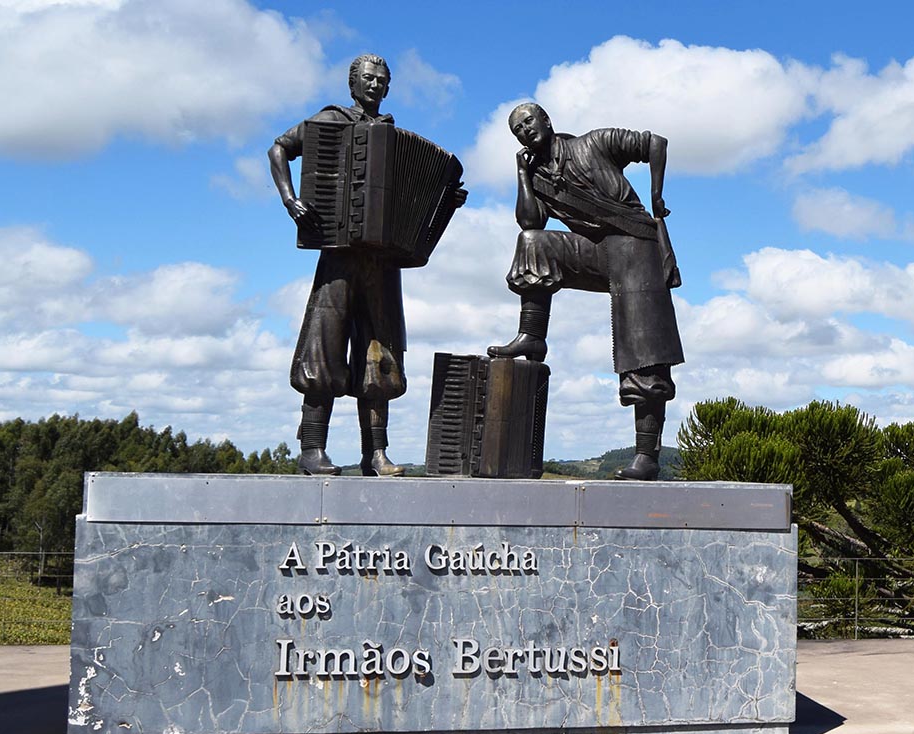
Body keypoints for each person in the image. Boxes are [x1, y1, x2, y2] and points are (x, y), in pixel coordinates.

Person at [269, 54, 464, 476]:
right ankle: (311, 449)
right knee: (322, 348)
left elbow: (415, 200)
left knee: (382, 355)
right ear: (353, 83)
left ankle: (375, 453)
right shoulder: (330, 120)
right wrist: (291, 200)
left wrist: (443, 202)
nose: (375, 85)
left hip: (381, 264)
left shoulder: (392, 135)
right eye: (368, 78)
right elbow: (279, 148)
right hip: (339, 254)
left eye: (382, 80)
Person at [488, 103, 684, 481]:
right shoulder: (540, 176)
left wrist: (656, 197)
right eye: (517, 130)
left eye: (529, 121)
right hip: (595, 251)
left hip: (635, 243)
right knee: (533, 243)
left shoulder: (595, 143)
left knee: (644, 355)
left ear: (547, 120)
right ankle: (532, 337)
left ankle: (646, 456)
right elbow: (531, 220)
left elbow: (655, 143)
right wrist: (523, 176)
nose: (525, 130)